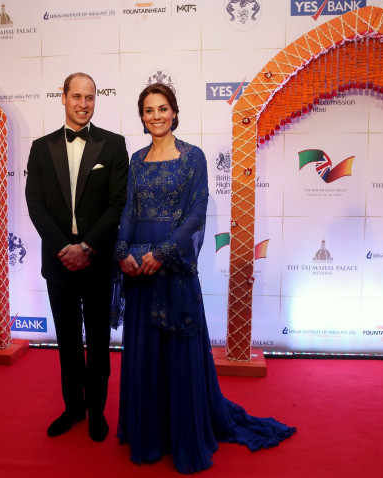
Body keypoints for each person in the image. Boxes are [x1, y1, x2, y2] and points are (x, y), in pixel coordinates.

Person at [113, 83, 296, 473]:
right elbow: (129, 209)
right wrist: (122, 251)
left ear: (175, 113)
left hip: (172, 266)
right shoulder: (136, 159)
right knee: (145, 350)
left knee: (177, 351)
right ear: (142, 117)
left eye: (163, 109)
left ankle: (182, 433)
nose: (156, 116)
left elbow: (197, 213)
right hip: (139, 267)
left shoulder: (193, 157)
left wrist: (161, 253)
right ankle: (150, 434)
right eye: (148, 110)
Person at [26, 72, 129, 442]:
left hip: (97, 260)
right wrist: (63, 248)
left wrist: (86, 247)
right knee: (68, 341)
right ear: (63, 97)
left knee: (99, 341)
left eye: (90, 97)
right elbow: (34, 204)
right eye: (77, 96)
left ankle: (98, 411)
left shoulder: (114, 145)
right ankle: (73, 408)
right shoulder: (41, 147)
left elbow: (118, 205)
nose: (83, 104)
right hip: (59, 262)